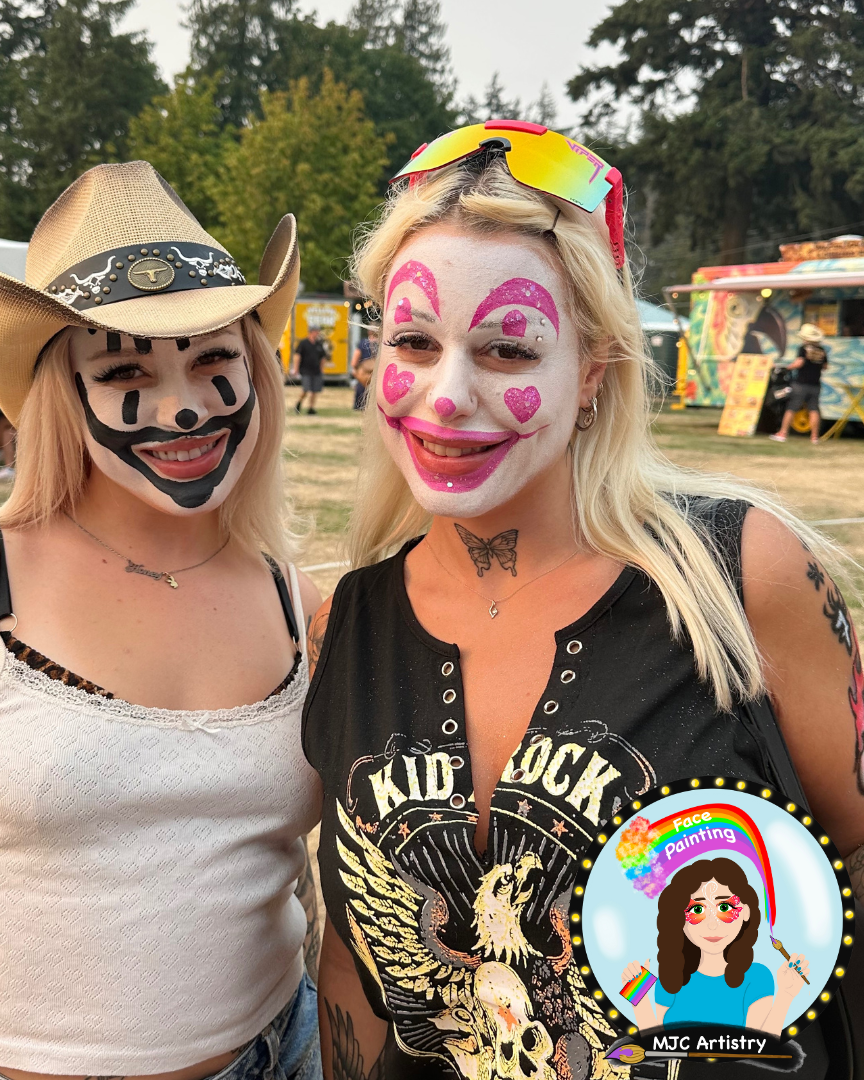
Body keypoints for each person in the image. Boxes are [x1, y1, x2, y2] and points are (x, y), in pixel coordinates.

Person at [303, 124, 864, 1080]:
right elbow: (354, 967)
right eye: (413, 341)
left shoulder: (740, 578)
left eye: (509, 351)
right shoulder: (342, 624)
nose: (445, 395)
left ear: (592, 372)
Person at [0, 161, 324, 1080]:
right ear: (59, 393)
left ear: (256, 369)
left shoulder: (298, 602)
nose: (183, 405)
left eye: (212, 358)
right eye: (124, 368)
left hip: (283, 1051)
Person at [622, 858, 808, 1034]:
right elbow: (658, 1046)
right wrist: (638, 995)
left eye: (725, 908)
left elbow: (758, 1048)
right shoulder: (670, 977)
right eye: (697, 910)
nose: (712, 924)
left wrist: (786, 995)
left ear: (745, 912)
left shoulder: (758, 978)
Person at [770, 323, 829, 444]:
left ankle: (783, 433)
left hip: (801, 384)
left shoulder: (804, 348)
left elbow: (799, 363)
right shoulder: (822, 350)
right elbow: (825, 366)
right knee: (814, 409)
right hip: (816, 385)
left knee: (791, 408)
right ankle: (814, 437)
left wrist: (787, 368)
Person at [292, 326, 326, 414]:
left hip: (316, 370)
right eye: (316, 331)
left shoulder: (319, 344)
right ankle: (299, 403)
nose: (317, 333)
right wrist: (296, 369)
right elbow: (297, 356)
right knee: (306, 389)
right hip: (306, 370)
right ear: (311, 332)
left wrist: (322, 368)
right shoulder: (303, 343)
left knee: (315, 390)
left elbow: (323, 357)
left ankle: (311, 408)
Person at [351, 326, 378, 411]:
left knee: (362, 390)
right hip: (377, 371)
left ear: (368, 332)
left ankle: (360, 406)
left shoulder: (363, 343)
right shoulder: (382, 343)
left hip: (364, 371)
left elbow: (355, 359)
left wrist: (355, 369)